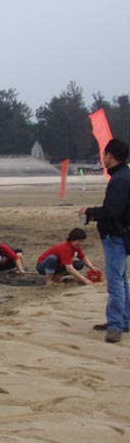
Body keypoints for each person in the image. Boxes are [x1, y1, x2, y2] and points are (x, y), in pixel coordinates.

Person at [80, 138, 130, 343]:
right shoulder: (123, 176)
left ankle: (116, 324)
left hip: (116, 235)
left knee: (116, 281)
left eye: (105, 154)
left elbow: (113, 210)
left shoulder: (120, 179)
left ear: (110, 155)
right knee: (121, 279)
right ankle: (123, 320)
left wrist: (90, 212)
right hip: (121, 234)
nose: (103, 158)